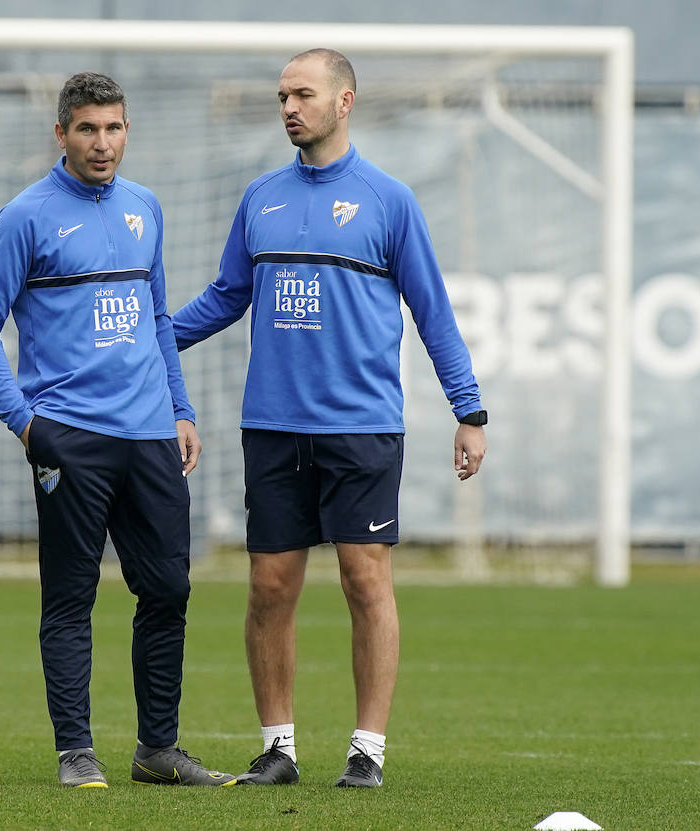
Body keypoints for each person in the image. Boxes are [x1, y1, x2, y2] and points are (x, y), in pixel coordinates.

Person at [172, 48, 487, 789]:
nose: (288, 106)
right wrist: (152, 334)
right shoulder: (260, 198)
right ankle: (278, 748)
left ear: (344, 102)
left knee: (363, 579)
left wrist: (468, 410)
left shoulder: (389, 200)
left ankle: (366, 750)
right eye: (282, 94)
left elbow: (432, 312)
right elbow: (225, 295)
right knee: (269, 587)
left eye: (303, 94)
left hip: (362, 424)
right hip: (274, 425)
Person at [0, 72, 233, 789]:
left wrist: (180, 409)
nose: (102, 143)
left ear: (127, 130)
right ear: (61, 133)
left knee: (169, 589)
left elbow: (160, 318)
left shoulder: (145, 207)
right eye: (87, 129)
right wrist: (23, 424)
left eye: (114, 128)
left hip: (149, 435)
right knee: (71, 598)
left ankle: (158, 750)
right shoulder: (24, 216)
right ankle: (76, 750)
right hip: (68, 436)